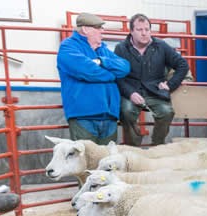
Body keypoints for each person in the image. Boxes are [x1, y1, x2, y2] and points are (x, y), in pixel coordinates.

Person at [115, 13, 189, 146]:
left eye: (147, 29)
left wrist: (170, 84)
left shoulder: (161, 46)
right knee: (126, 112)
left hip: (155, 91)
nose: (144, 33)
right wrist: (130, 93)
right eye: (139, 30)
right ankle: (133, 147)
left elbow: (183, 65)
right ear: (131, 31)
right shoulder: (121, 48)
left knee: (167, 112)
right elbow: (117, 76)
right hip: (131, 91)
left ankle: (157, 144)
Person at [56, 13, 130, 145]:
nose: (102, 31)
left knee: (108, 157)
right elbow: (88, 71)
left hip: (109, 115)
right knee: (86, 156)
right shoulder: (68, 47)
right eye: (98, 27)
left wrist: (101, 61)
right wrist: (112, 75)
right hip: (84, 116)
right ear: (85, 29)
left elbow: (125, 67)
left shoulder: (102, 49)